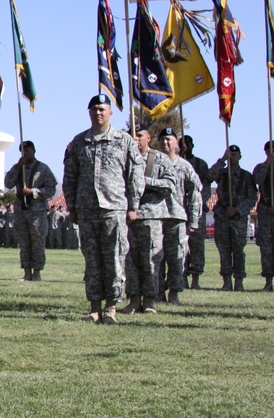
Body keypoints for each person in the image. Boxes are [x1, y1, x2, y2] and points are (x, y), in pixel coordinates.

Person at [61, 93, 143, 324]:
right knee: (92, 259)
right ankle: (94, 306)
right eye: (94, 109)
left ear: (110, 113)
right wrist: (72, 206)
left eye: (102, 109)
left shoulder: (123, 140)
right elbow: (70, 176)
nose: (98, 112)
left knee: (114, 258)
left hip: (114, 208)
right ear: (89, 112)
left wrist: (133, 204)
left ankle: (111, 307)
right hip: (87, 209)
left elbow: (135, 174)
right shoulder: (79, 142)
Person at [120, 126, 175, 315]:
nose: (135, 139)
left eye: (139, 135)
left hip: (150, 215)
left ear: (148, 138)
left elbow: (170, 184)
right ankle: (133, 299)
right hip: (129, 216)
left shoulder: (158, 159)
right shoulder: (125, 158)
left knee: (151, 259)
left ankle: (150, 300)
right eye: (132, 136)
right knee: (131, 260)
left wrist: (145, 181)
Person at [156, 128, 202, 305]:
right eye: (162, 140)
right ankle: (158, 292)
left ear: (176, 143)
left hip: (176, 217)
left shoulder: (184, 166)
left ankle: (174, 292)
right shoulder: (153, 163)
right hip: (157, 217)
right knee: (156, 258)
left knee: (177, 258)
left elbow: (195, 193)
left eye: (169, 139)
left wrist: (193, 220)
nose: (165, 143)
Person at [4, 141, 57, 281]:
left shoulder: (43, 168)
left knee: (38, 242)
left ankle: (37, 272)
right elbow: (8, 184)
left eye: (27, 150)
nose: (25, 153)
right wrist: (17, 167)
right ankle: (26, 272)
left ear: (34, 151)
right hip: (21, 209)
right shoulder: (18, 167)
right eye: (22, 151)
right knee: (24, 242)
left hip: (37, 211)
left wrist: (33, 192)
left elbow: (51, 189)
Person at [208, 145, 256, 291]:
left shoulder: (246, 176)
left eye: (235, 154)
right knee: (224, 249)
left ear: (240, 156)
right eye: (230, 154)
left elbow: (252, 197)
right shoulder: (222, 173)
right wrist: (222, 159)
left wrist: (238, 209)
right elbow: (209, 176)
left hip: (238, 218)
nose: (232, 156)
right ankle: (226, 280)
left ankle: (239, 281)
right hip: (223, 215)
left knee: (238, 250)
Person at [253, 140, 274, 292]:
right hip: (266, 211)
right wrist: (268, 163)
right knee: (266, 249)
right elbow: (256, 181)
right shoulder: (261, 168)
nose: (272, 152)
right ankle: (268, 282)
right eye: (269, 151)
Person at [180, 135, 211, 289]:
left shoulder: (200, 164)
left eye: (188, 144)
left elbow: (204, 187)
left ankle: (196, 279)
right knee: (181, 245)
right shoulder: (175, 162)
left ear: (193, 145)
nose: (186, 146)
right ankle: (182, 276)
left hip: (196, 211)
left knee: (197, 245)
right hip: (179, 209)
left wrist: (198, 203)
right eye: (182, 144)